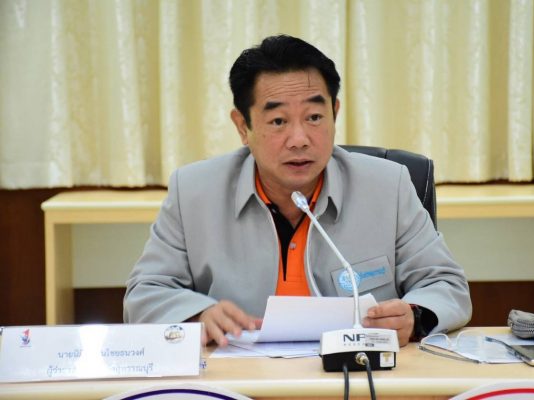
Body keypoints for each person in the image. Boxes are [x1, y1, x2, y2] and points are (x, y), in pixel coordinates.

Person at [124, 34, 471, 347]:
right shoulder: (194, 192)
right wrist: (198, 315)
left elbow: (446, 285)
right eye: (278, 121)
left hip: (359, 376)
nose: (300, 139)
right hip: (240, 381)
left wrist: (415, 316)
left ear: (335, 113)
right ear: (243, 126)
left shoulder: (387, 187)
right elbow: (145, 293)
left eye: (314, 117)